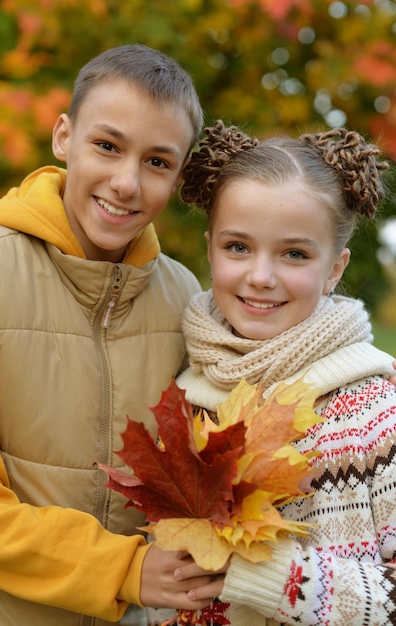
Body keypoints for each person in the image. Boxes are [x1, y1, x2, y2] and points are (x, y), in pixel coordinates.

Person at [0, 44, 223, 626]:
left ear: (179, 175)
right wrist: (125, 570)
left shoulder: (185, 296)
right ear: (64, 137)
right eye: (107, 146)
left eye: (158, 162)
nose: (126, 183)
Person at [169, 120, 396, 625]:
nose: (261, 276)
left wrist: (261, 572)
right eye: (238, 247)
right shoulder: (181, 398)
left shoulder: (375, 414)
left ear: (334, 268)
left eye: (294, 253)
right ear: (210, 248)